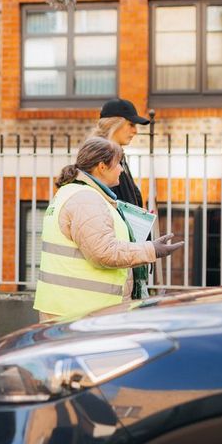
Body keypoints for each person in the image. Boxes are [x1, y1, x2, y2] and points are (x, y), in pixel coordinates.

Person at [34, 137, 184, 321]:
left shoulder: (74, 192)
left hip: (69, 308)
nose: (122, 169)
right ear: (101, 167)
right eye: (118, 163)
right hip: (82, 313)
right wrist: (151, 249)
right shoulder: (86, 199)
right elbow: (104, 252)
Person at [92, 98, 153, 298]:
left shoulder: (118, 157)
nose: (135, 130)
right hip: (116, 262)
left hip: (127, 256)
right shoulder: (100, 159)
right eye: (131, 124)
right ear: (114, 124)